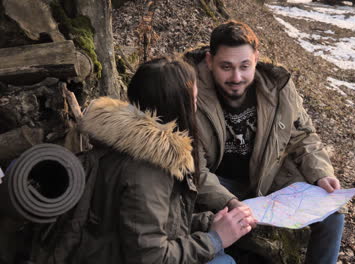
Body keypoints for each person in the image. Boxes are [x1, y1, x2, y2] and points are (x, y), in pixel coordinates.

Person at [184, 20, 344, 264]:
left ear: (256, 58)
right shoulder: (189, 91)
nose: (236, 77)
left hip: (267, 177)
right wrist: (231, 203)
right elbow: (195, 169)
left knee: (333, 213)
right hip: (215, 185)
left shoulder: (278, 86)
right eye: (226, 67)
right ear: (209, 60)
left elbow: (303, 135)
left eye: (244, 66)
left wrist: (320, 173)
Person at [78, 57, 254, 263]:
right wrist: (215, 239)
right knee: (223, 261)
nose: (197, 107)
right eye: (195, 100)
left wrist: (210, 223)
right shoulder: (147, 172)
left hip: (110, 249)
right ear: (178, 107)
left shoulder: (128, 145)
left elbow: (151, 224)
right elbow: (151, 257)